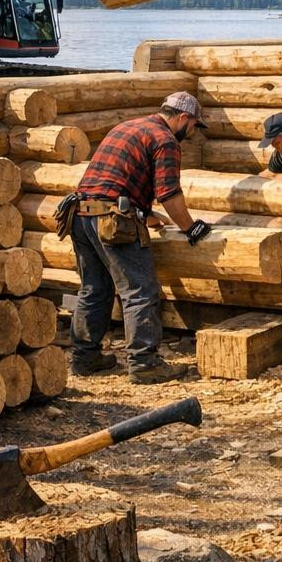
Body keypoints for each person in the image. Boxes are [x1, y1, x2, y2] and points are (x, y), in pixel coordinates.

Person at [67, 91, 213, 384]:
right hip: (112, 221)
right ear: (183, 117)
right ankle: (145, 364)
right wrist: (191, 228)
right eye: (194, 125)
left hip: (79, 214)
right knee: (140, 290)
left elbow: (115, 180)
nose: (193, 132)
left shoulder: (127, 126)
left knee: (94, 289)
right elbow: (169, 194)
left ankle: (84, 357)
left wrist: (145, 214)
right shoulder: (165, 140)